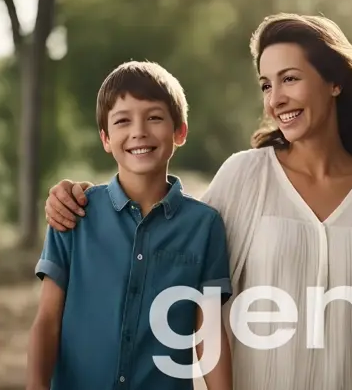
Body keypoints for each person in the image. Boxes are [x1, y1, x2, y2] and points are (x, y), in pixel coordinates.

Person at [43, 13, 352, 390]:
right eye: (267, 85)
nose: (276, 98)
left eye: (289, 79)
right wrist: (81, 198)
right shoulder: (246, 175)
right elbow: (164, 230)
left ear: (335, 81)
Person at [26, 61, 233, 390]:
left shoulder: (204, 226)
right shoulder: (73, 214)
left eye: (154, 117)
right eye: (123, 120)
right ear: (106, 138)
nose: (139, 131)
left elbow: (207, 333)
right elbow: (48, 321)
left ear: (180, 131)